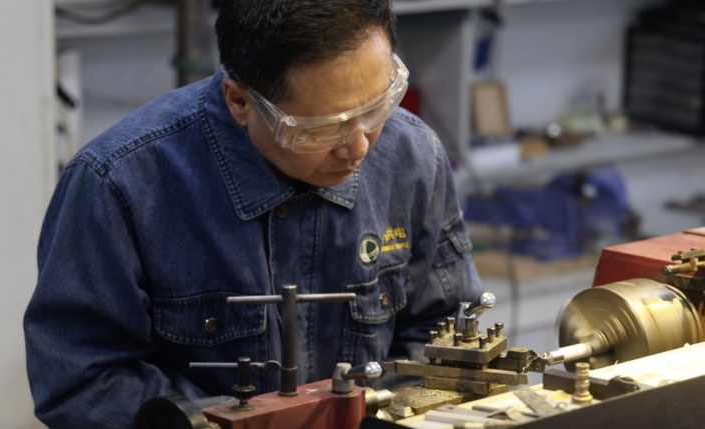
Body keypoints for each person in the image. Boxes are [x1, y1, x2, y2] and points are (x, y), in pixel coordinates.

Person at [24, 0, 483, 427]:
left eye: (376, 107)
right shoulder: (118, 184)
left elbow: (441, 332)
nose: (359, 147)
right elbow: (81, 379)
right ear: (240, 101)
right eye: (324, 128)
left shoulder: (412, 156)